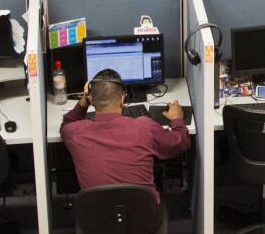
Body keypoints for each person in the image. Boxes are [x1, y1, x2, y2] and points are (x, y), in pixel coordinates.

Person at [60, 71, 190, 201]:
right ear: (123, 99)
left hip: (96, 218)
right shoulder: (144, 128)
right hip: (144, 218)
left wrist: (84, 100)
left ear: (91, 100)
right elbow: (182, 142)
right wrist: (177, 119)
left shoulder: (75, 132)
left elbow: (68, 122)